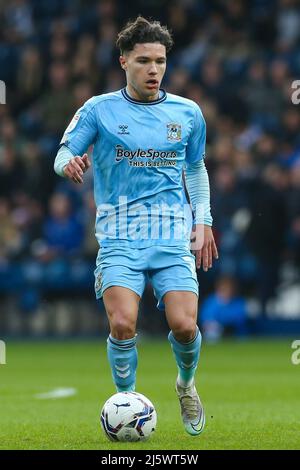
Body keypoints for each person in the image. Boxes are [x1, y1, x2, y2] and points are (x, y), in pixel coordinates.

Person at [54, 16, 218, 436]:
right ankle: (126, 400)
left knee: (184, 325)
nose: (153, 69)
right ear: (123, 60)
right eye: (143, 60)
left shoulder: (187, 112)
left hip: (170, 233)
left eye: (160, 61)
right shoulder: (99, 109)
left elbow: (196, 168)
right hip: (119, 234)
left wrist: (204, 221)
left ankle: (186, 384)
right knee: (123, 323)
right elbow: (63, 151)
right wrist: (68, 164)